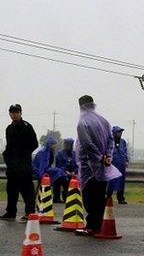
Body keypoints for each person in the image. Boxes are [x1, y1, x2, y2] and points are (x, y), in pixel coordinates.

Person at [75, 95, 121, 235]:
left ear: (81, 106)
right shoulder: (103, 121)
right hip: (103, 166)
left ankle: (92, 226)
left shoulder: (82, 123)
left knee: (89, 197)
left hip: (89, 166)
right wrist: (107, 156)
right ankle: (99, 224)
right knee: (100, 195)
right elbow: (110, 139)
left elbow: (87, 144)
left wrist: (100, 157)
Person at [0, 104, 38, 222]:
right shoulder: (9, 129)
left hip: (24, 164)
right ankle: (10, 212)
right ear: (9, 114)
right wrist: (8, 157)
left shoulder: (26, 127)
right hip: (12, 165)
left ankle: (30, 212)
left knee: (27, 190)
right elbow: (9, 146)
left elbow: (34, 144)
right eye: (12, 112)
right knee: (11, 189)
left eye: (16, 112)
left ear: (21, 113)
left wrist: (23, 154)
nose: (14, 114)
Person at [107, 126, 129, 204]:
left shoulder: (123, 142)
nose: (120, 134)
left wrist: (126, 161)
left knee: (121, 182)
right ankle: (108, 197)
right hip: (112, 165)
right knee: (111, 182)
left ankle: (121, 198)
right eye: (118, 132)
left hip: (121, 165)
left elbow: (125, 152)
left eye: (121, 132)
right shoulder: (110, 142)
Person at [54, 138, 77, 203]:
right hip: (62, 173)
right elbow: (58, 165)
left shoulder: (74, 154)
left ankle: (69, 198)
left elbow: (77, 164)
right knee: (61, 180)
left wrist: (74, 172)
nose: (67, 145)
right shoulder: (60, 153)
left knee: (73, 180)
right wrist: (66, 171)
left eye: (70, 144)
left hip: (72, 173)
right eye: (66, 144)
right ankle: (57, 198)